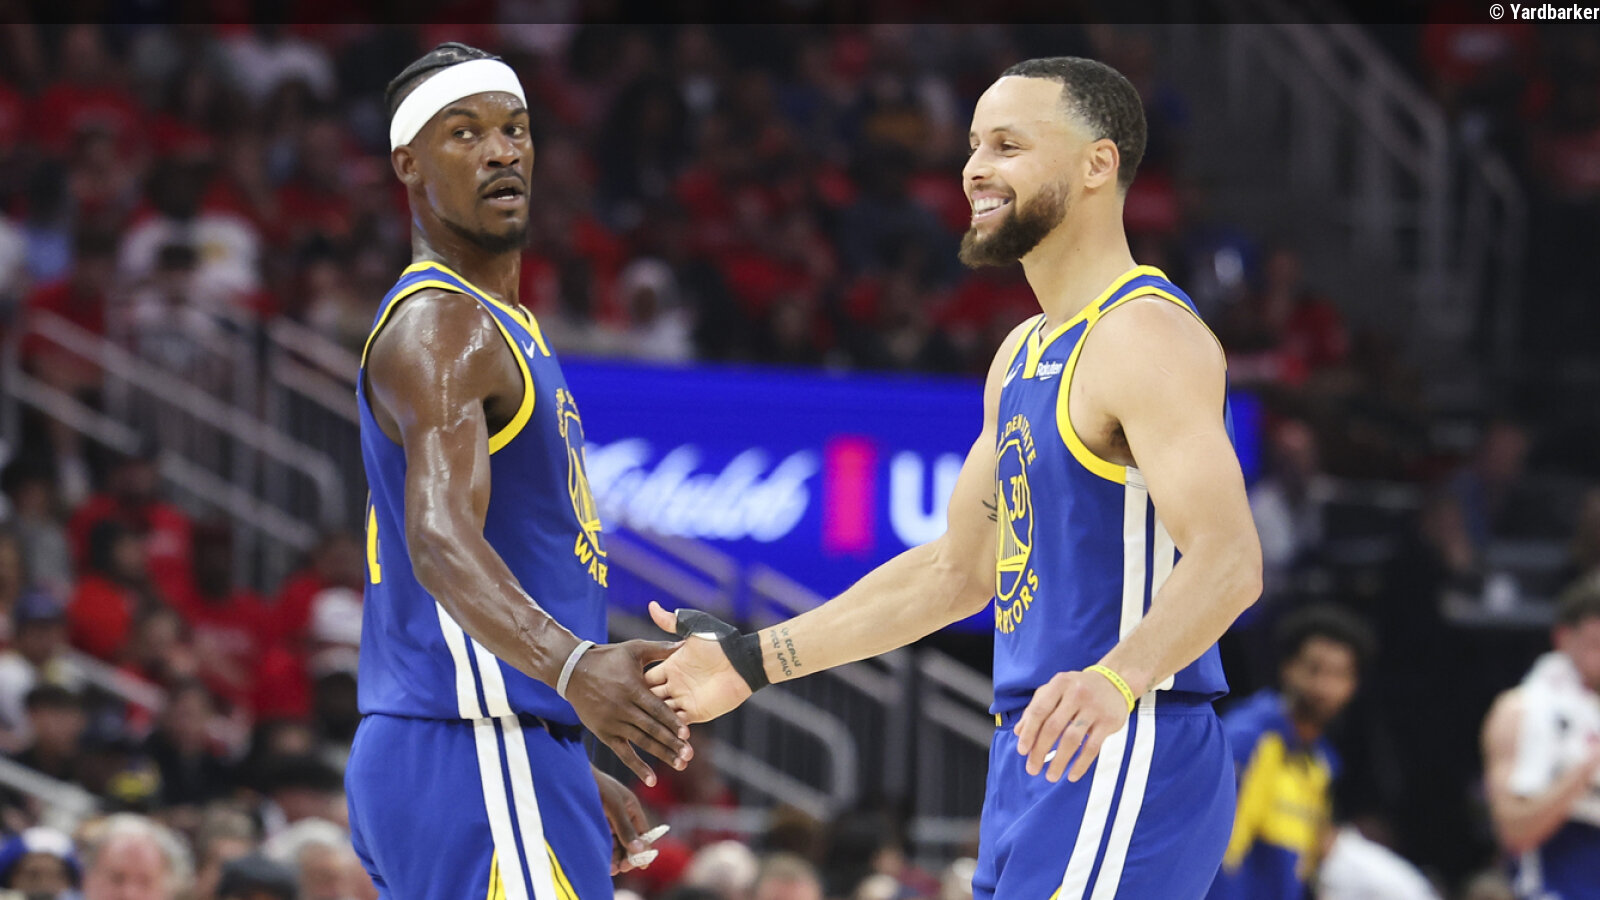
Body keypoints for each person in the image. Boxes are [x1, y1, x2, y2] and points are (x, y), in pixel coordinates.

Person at [650, 56, 1262, 900]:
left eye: (1008, 145)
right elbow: (954, 572)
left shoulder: (1145, 336)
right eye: (974, 145)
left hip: (1126, 739)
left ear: (1098, 164)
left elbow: (1230, 561)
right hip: (1034, 753)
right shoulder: (1022, 354)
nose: (975, 168)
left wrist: (1117, 678)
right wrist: (751, 663)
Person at [344, 42, 688, 900]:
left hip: (486, 752)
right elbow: (438, 540)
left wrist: (556, 751)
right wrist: (571, 672)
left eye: (516, 129)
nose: (501, 150)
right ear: (409, 164)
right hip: (471, 748)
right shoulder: (444, 326)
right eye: (465, 133)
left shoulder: (502, 324)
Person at [1205, 604, 1375, 899]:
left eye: (1339, 674)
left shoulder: (1323, 764)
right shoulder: (1247, 738)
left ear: (1353, 685)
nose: (1324, 687)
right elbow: (1215, 849)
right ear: (1288, 667)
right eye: (1314, 669)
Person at [1481, 576, 1600, 900]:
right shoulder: (1520, 710)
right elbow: (1514, 832)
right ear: (1564, 638)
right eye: (1597, 644)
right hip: (1557, 883)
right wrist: (1587, 768)